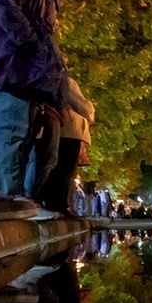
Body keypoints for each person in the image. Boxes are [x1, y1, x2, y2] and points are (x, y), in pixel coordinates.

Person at [0, 0, 76, 220]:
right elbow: (2, 4)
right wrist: (32, 46)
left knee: (20, 138)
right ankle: (6, 202)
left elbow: (50, 47)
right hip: (11, 73)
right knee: (10, 135)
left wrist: (56, 92)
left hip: (29, 80)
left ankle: (11, 202)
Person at [38, 77, 94, 217]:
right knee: (65, 169)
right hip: (71, 129)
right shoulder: (64, 78)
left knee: (62, 168)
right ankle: (58, 204)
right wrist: (90, 110)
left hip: (68, 128)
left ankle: (59, 204)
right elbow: (82, 105)